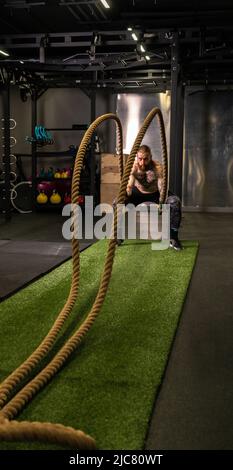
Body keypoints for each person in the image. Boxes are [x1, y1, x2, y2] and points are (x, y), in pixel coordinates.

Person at [126, 144, 183, 250]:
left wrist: (161, 203)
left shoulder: (157, 167)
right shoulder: (133, 167)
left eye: (145, 159)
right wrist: (126, 195)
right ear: (137, 157)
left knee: (175, 202)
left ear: (150, 157)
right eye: (140, 159)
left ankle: (173, 238)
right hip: (138, 192)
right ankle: (117, 237)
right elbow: (129, 187)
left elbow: (162, 188)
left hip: (155, 193)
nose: (142, 162)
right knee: (117, 201)